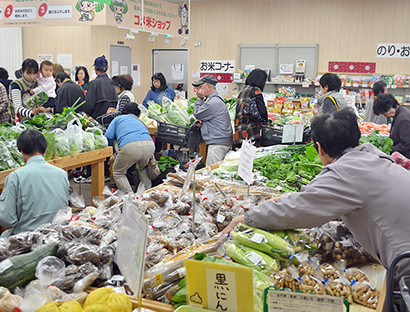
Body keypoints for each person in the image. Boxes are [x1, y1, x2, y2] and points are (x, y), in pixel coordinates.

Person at [222, 107, 410, 287]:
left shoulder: (346, 173)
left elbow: (298, 210)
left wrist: (246, 218)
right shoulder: (372, 159)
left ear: (319, 148)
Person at [0, 130, 69, 237]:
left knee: (5, 236)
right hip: (57, 234)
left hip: (28, 240)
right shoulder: (62, 174)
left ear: (21, 151)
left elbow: (7, 220)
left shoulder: (16, 177)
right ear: (45, 150)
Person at [104, 102, 155, 193]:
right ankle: (147, 195)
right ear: (138, 114)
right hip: (149, 145)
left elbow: (108, 136)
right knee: (143, 169)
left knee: (118, 172)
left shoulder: (117, 119)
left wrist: (112, 151)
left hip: (129, 146)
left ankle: (130, 198)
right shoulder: (141, 121)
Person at [193, 75, 233, 166]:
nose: (198, 89)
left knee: (212, 172)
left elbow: (197, 113)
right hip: (220, 140)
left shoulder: (212, 102)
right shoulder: (214, 99)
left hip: (218, 143)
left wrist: (199, 99)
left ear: (209, 86)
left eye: (200, 86)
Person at [234, 68, 268, 147]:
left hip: (239, 132)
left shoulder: (242, 92)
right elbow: (262, 112)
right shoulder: (256, 91)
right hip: (250, 132)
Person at [373, 93, 410, 158]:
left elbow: (406, 144)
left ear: (390, 108)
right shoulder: (399, 114)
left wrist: (387, 150)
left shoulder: (403, 119)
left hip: (404, 158)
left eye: (384, 113)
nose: (385, 116)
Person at [83, 56, 118, 121]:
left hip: (96, 122)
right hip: (111, 121)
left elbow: (89, 106)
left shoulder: (93, 83)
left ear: (95, 68)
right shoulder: (113, 83)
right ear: (107, 68)